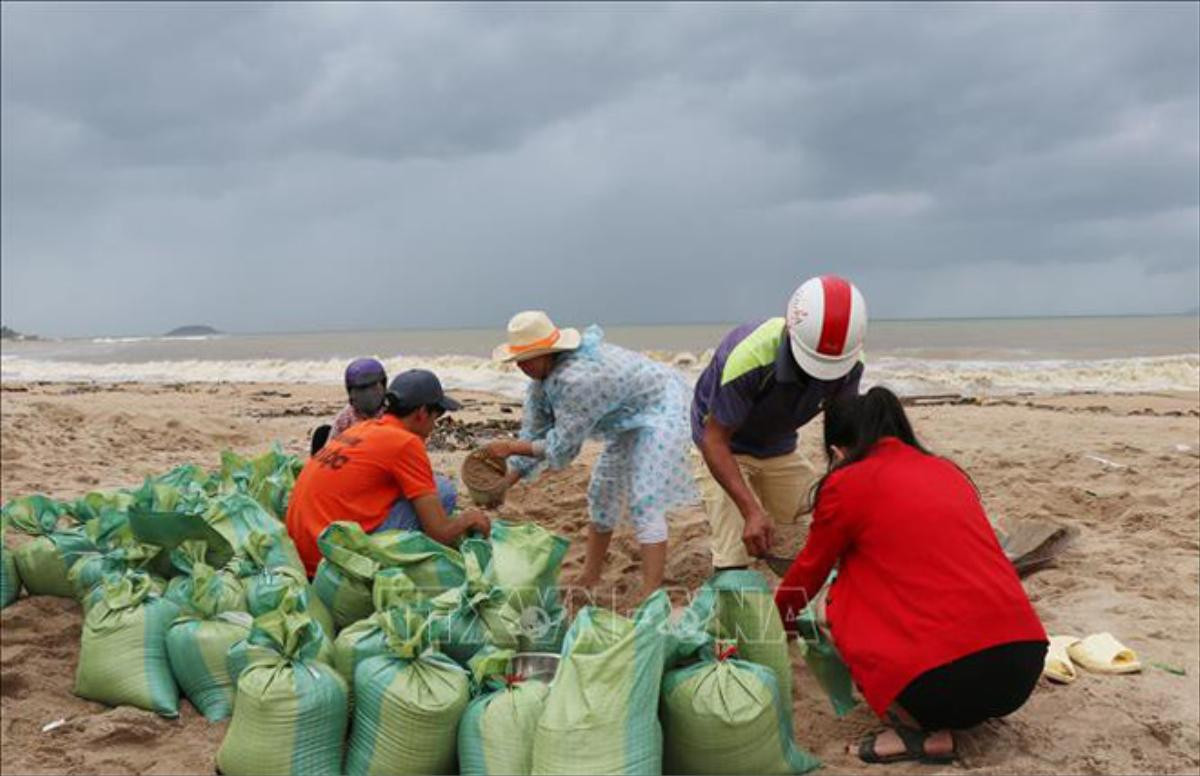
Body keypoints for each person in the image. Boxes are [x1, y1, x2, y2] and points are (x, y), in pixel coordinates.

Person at [773, 387, 1047, 764]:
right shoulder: (945, 470)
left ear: (838, 452)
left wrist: (777, 625)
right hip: (1022, 666)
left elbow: (808, 572)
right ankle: (938, 712)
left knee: (832, 605)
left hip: (943, 683)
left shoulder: (846, 483)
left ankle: (921, 731)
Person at [484, 310, 696, 599]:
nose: (521, 366)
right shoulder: (541, 383)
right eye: (518, 360)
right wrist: (504, 484)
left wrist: (509, 448)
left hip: (660, 406)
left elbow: (562, 448)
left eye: (527, 359)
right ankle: (591, 575)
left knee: (645, 498)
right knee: (602, 491)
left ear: (548, 353)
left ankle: (651, 593)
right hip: (627, 418)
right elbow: (533, 435)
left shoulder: (577, 381)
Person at [692, 274, 866, 568]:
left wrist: (844, 479)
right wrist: (750, 511)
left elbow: (842, 436)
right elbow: (714, 439)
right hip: (725, 447)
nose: (820, 376)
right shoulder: (749, 357)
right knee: (735, 547)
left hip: (778, 446)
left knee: (831, 514)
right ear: (790, 330)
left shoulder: (849, 363)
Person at [286, 368, 491, 576]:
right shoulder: (406, 442)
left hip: (302, 551)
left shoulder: (361, 428)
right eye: (435, 418)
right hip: (329, 562)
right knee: (444, 491)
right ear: (421, 413)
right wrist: (469, 519)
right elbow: (439, 532)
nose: (433, 427)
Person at [311, 357, 389, 455]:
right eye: (360, 390)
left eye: (373, 388)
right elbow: (330, 450)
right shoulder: (346, 417)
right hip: (353, 460)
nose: (368, 394)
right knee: (322, 432)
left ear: (383, 386)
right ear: (350, 393)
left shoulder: (393, 411)